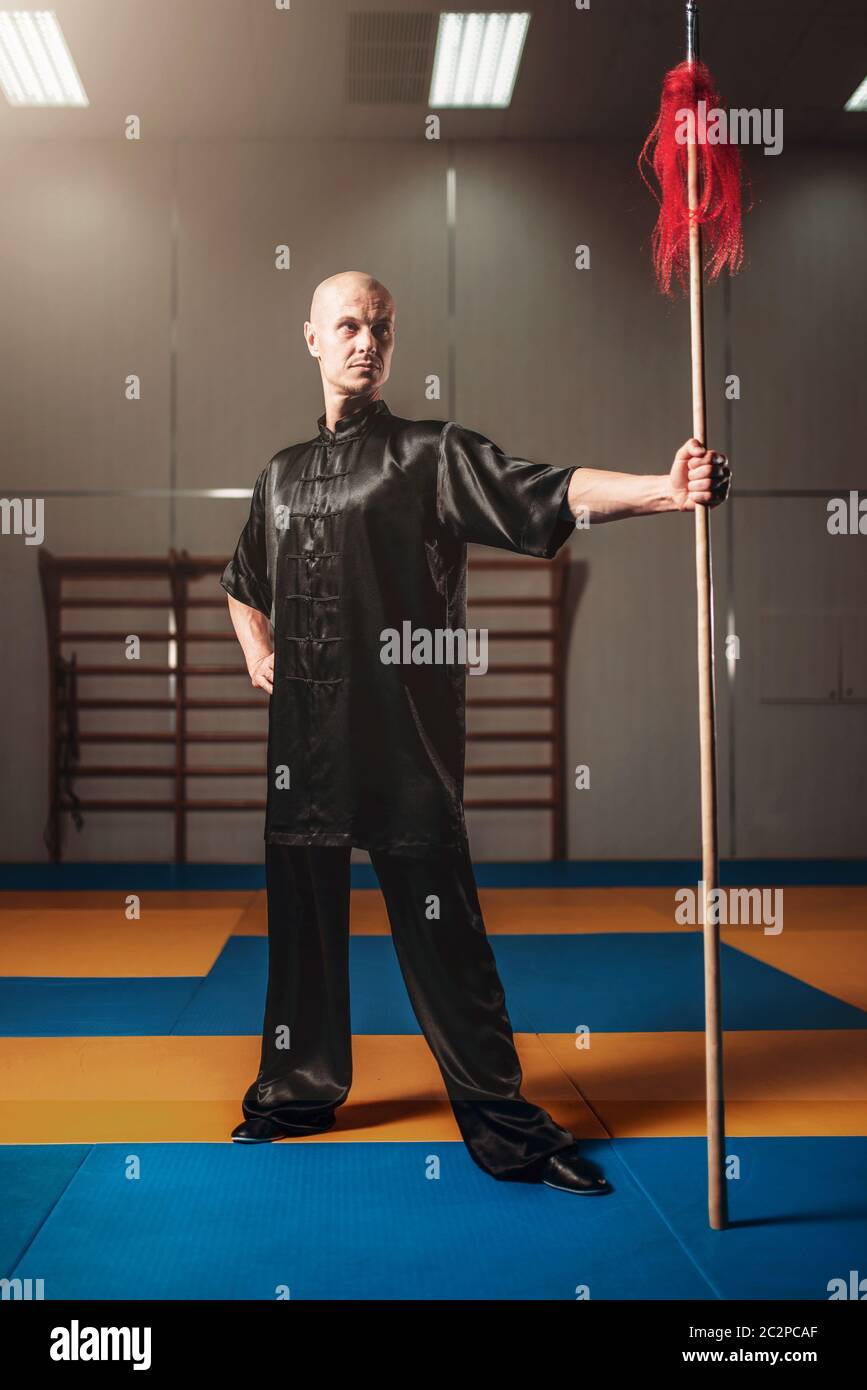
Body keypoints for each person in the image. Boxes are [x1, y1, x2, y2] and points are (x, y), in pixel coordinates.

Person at [222, 270, 731, 1195]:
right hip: (303, 757)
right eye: (346, 325)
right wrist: (257, 650)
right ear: (310, 338)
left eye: (379, 327)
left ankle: (506, 1129)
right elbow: (239, 579)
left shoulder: (426, 455)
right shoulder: (278, 476)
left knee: (446, 941)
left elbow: (547, 490)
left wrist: (665, 490)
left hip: (404, 749)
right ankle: (294, 1095)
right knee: (301, 935)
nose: (364, 340)